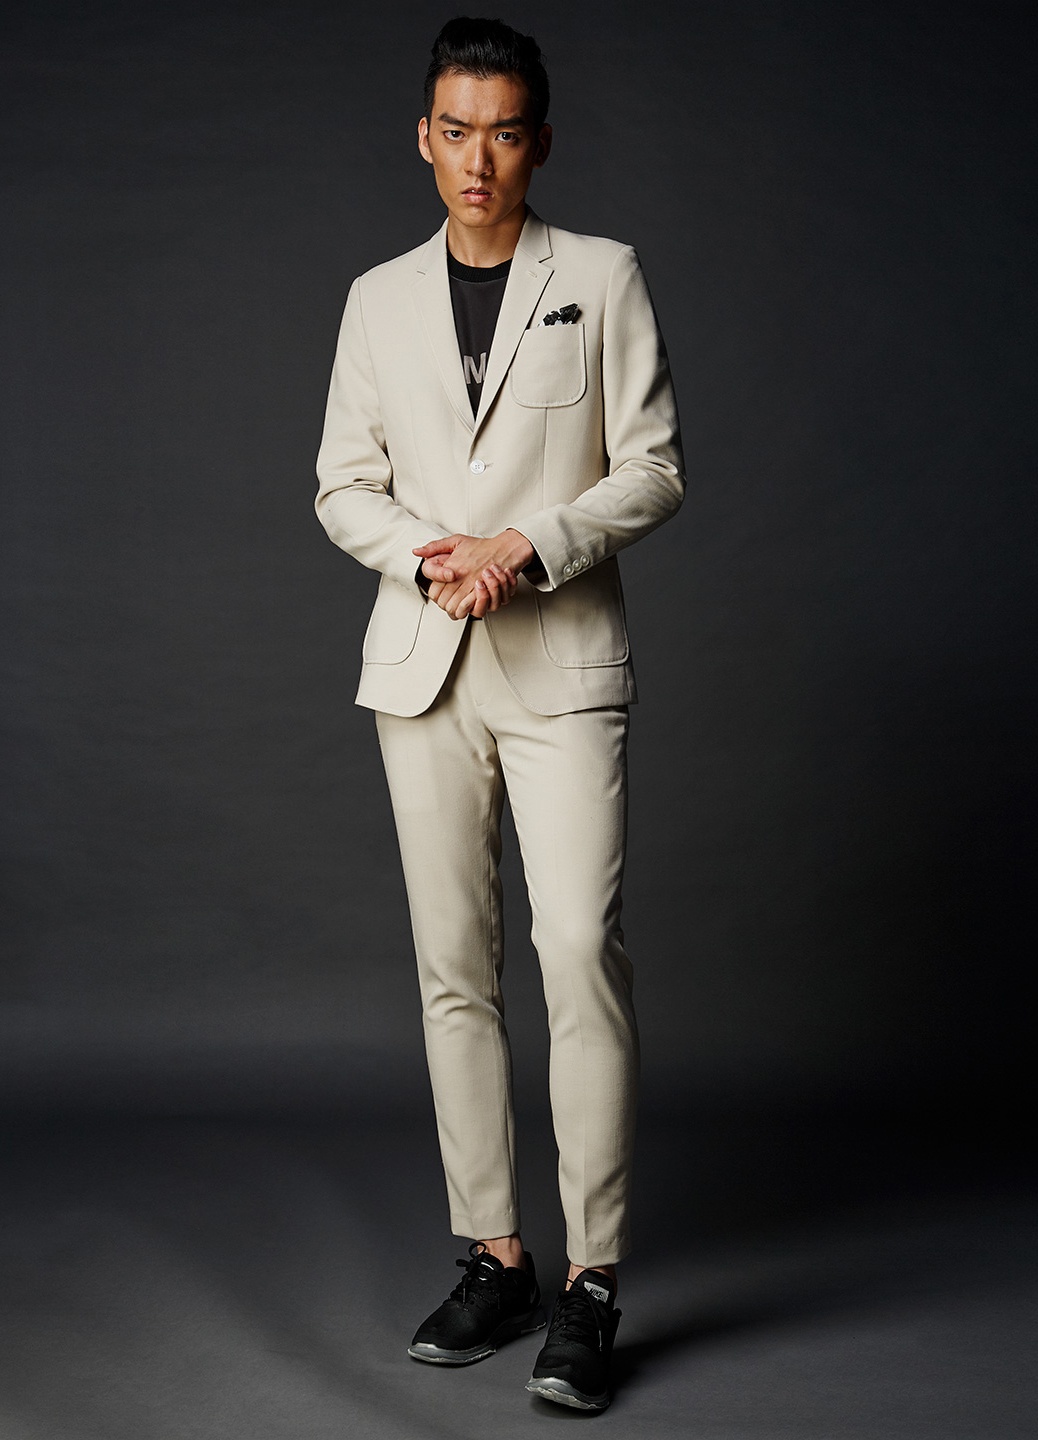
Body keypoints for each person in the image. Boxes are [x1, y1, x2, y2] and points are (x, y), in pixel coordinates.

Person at [315, 15, 684, 1412]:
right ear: (424, 138)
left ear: (539, 142)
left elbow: (652, 468)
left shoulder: (601, 275)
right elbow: (343, 484)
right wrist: (435, 559)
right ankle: (496, 1256)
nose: (479, 160)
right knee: (452, 968)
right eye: (457, 131)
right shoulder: (374, 299)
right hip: (424, 665)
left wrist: (523, 545)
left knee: (578, 948)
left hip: (561, 663)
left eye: (506, 132)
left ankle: (591, 1282)